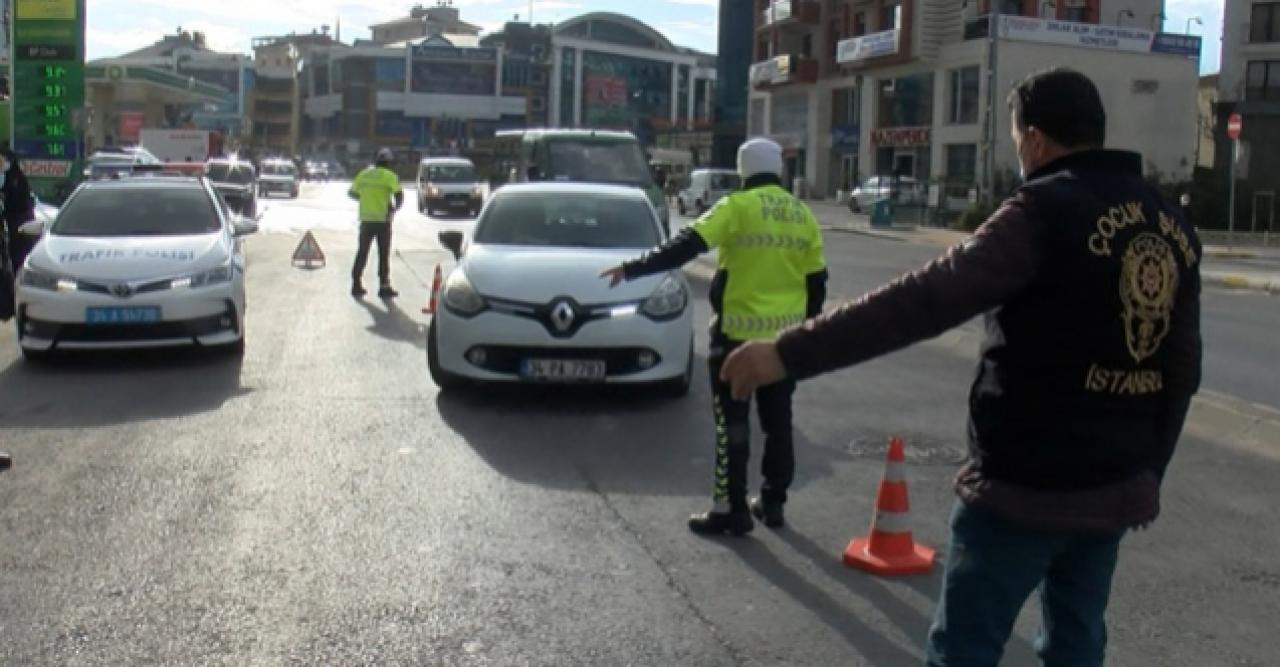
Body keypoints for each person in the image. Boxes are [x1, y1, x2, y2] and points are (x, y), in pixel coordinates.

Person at [720, 68, 1202, 665]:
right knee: (1078, 642)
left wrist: (788, 353)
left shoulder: (1041, 210)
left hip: (1020, 490)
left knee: (966, 649)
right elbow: (1183, 365)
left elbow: (924, 299)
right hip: (1112, 490)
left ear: (1034, 139)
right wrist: (1149, 472)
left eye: (1016, 136)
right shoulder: (1168, 220)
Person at [601, 137, 828, 535]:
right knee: (779, 423)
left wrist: (634, 268)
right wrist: (804, 329)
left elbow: (686, 246)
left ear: (743, 169)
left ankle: (732, 510)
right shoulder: (801, 214)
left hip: (736, 338)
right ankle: (773, 503)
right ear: (778, 169)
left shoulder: (736, 207)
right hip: (783, 345)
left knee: (732, 426)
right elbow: (817, 283)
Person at [348, 148, 404, 298]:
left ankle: (356, 284)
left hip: (366, 221)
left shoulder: (364, 174)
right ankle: (384, 286)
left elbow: (351, 193)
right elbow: (399, 197)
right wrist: (393, 209)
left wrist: (365, 199)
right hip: (383, 221)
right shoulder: (390, 176)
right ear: (389, 163)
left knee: (362, 252)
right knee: (383, 254)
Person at [1, 148, 35, 273]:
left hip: (19, 224)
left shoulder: (16, 179)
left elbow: (19, 201)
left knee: (17, 255)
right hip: (11, 224)